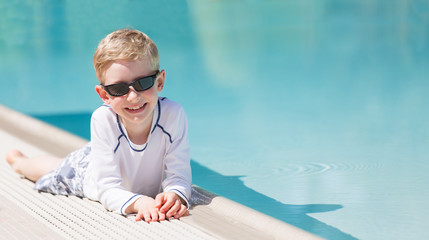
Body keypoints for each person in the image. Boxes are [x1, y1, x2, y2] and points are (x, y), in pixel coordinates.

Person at [6, 29, 192, 223]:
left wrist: (174, 195)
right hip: (88, 173)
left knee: (64, 161)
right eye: (119, 89)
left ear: (159, 81)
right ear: (104, 95)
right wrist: (139, 202)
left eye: (143, 83)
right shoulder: (103, 119)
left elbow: (179, 174)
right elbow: (107, 188)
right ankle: (19, 161)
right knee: (54, 169)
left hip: (104, 156)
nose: (133, 97)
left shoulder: (173, 115)